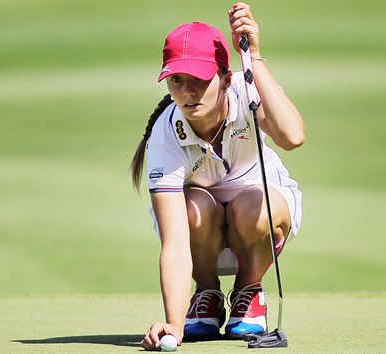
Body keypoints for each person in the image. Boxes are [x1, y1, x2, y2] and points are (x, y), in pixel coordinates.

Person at [129, 3, 304, 351]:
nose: (187, 91)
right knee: (193, 207)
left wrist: (253, 56)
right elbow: (176, 244)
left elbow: (292, 137)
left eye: (200, 80)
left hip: (259, 222)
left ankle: (248, 292)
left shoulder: (248, 90)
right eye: (177, 80)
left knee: (251, 205)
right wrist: (174, 326)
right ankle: (206, 295)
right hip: (201, 238)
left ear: (225, 78)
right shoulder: (165, 135)